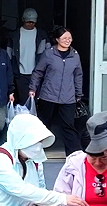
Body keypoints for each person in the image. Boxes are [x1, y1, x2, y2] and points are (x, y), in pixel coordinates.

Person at [29, 26, 85, 154]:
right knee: (43, 124)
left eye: (69, 38)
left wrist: (78, 93)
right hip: (48, 95)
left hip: (68, 97)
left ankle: (73, 154)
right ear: (57, 39)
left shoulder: (75, 55)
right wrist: (33, 88)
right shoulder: (48, 54)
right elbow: (38, 72)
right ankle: (36, 152)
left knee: (68, 126)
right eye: (64, 38)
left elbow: (78, 75)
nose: (67, 40)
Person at [12, 8, 43, 105]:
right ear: (23, 20)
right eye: (28, 22)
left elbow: (46, 55)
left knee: (36, 101)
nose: (30, 24)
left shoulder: (41, 35)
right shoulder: (14, 35)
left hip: (37, 73)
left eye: (32, 22)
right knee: (23, 101)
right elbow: (9, 54)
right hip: (20, 73)